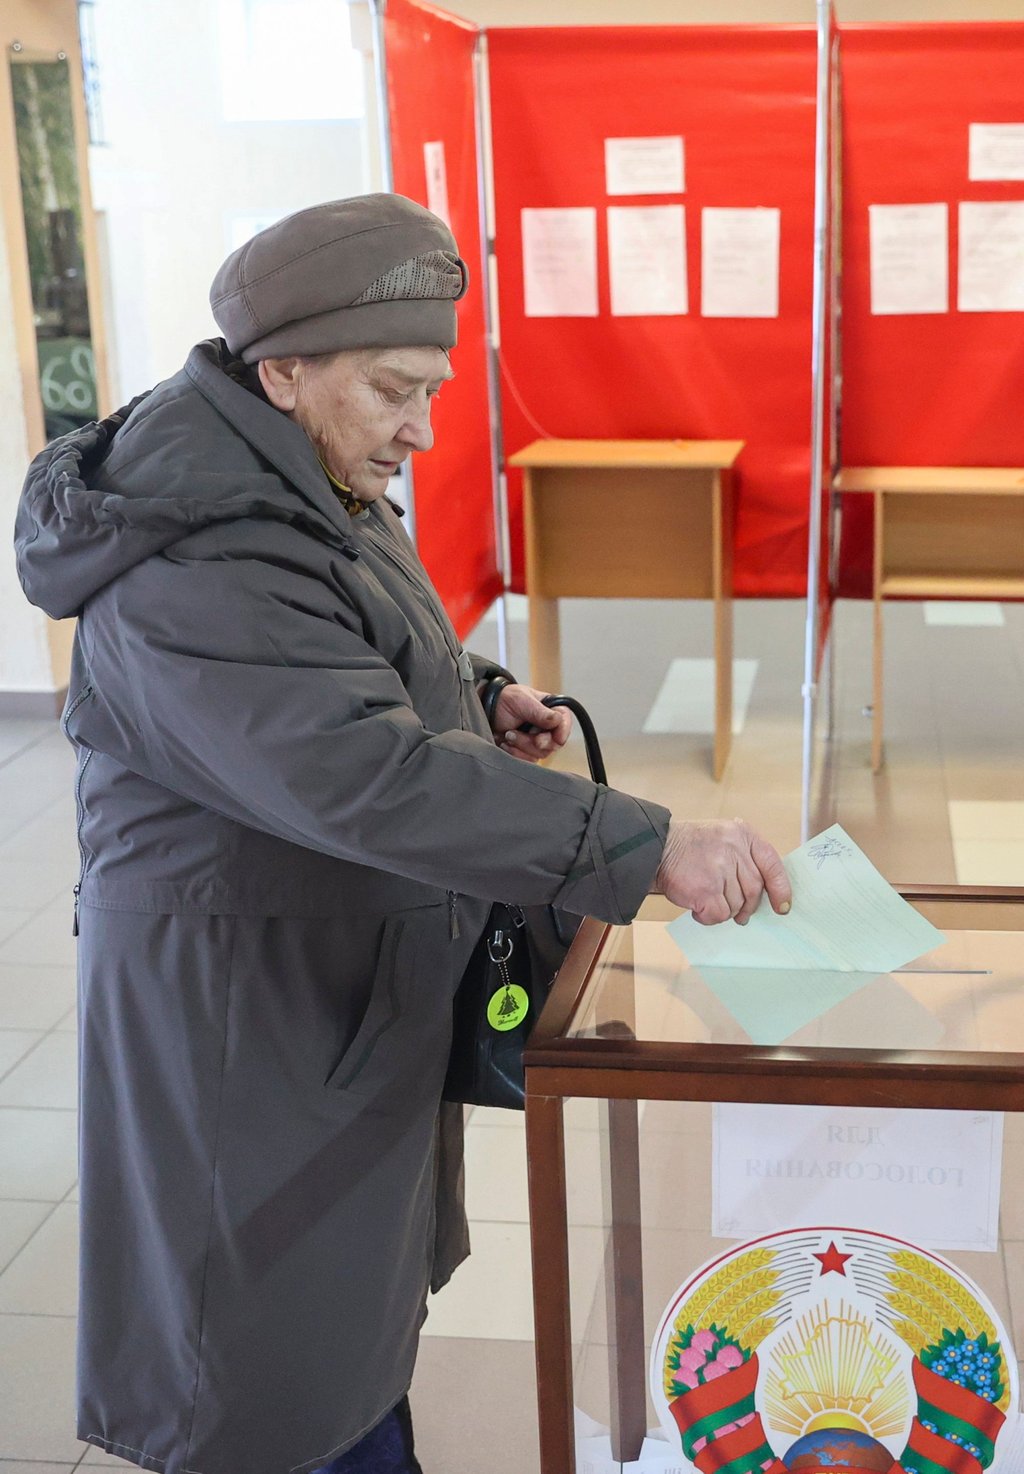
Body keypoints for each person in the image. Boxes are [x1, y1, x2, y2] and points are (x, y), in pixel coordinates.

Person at [14, 194, 791, 1474]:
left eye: (429, 388)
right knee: (264, 1368)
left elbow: (353, 644)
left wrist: (479, 692)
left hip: (328, 989)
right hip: (244, 1025)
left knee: (340, 1339)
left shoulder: (291, 465)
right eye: (393, 389)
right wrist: (649, 847)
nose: (419, 430)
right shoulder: (191, 560)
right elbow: (366, 775)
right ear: (283, 368)